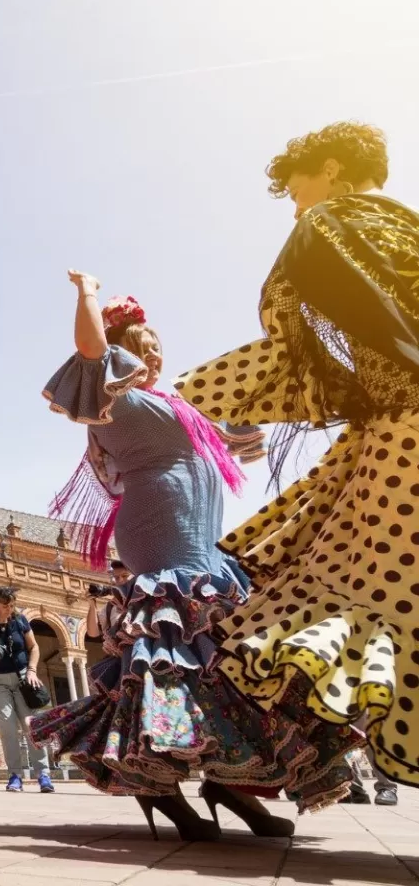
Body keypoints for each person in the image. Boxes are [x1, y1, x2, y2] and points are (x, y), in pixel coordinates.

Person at [29, 277, 357, 842]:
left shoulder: (178, 403)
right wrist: (87, 292)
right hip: (161, 536)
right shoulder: (116, 398)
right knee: (173, 657)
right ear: (121, 353)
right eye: (141, 349)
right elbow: (89, 349)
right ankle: (160, 785)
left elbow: (246, 422)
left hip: (205, 541)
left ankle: (231, 781)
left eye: (155, 350)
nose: (153, 359)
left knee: (227, 658)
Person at [173, 122, 419, 800]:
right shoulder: (409, 230)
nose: (295, 205)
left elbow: (289, 348)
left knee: (360, 599)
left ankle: (245, 763)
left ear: (333, 170)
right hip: (395, 426)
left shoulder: (331, 225)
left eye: (298, 187)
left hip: (404, 437)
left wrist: (195, 400)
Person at [0, 586, 53, 793]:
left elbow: (33, 647)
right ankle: (14, 775)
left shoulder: (20, 620)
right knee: (7, 727)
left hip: (22, 678)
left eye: (12, 605)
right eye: (5, 605)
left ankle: (43, 774)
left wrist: (32, 670)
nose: (10, 609)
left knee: (30, 725)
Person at [85, 560, 132, 639]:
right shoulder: (111, 607)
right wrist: (92, 605)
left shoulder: (144, 598)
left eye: (125, 576)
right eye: (117, 577)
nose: (120, 580)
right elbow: (93, 633)